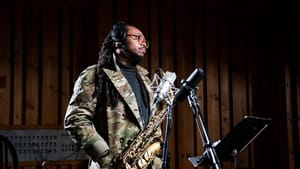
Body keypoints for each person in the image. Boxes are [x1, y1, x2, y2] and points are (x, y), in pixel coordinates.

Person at [64, 21, 163, 169]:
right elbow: (75, 120)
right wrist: (105, 158)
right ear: (118, 40)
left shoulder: (147, 80)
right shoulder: (95, 75)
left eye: (145, 41)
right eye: (137, 38)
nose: (143, 43)